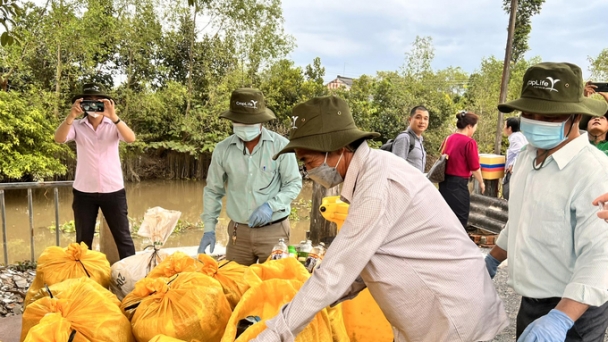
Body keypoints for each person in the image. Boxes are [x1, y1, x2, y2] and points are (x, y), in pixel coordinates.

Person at [252, 96, 508, 342]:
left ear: (337, 149)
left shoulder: (377, 185)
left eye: (307, 160)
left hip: (449, 311)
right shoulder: (374, 168)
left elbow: (335, 272)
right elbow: (360, 265)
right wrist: (309, 302)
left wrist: (273, 334)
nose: (307, 171)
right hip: (436, 308)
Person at [485, 62, 608, 342]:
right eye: (529, 114)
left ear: (576, 116)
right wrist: (491, 261)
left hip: (574, 311)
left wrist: (561, 317)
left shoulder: (594, 172)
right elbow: (519, 220)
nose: (537, 122)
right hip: (532, 304)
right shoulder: (528, 157)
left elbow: (601, 256)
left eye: (550, 117)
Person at [197, 88, 302, 266]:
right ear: (232, 121)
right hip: (239, 234)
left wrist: (271, 206)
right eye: (240, 121)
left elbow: (293, 184)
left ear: (261, 121)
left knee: (274, 285)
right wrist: (209, 229)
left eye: (250, 121)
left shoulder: (281, 146)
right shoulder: (222, 150)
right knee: (234, 284)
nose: (245, 126)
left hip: (274, 232)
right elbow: (213, 191)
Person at [54, 83, 136, 260]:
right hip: (84, 192)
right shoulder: (76, 125)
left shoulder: (114, 124)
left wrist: (113, 117)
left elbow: (130, 139)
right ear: (81, 104)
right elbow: (59, 139)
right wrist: (71, 116)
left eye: (98, 101)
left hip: (113, 190)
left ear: (107, 103)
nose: (94, 105)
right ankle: (84, 278)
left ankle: (132, 278)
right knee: (83, 241)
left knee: (123, 237)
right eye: (88, 101)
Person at [438, 111, 485, 229]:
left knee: (445, 217)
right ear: (469, 126)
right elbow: (474, 167)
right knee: (460, 218)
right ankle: (457, 246)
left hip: (444, 183)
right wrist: (481, 181)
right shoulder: (469, 142)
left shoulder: (449, 138)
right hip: (458, 185)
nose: (474, 130)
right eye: (474, 127)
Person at [391, 105, 428, 172]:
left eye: (425, 118)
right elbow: (396, 168)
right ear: (410, 119)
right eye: (418, 117)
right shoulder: (404, 138)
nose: (422, 121)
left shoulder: (419, 141)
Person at [502, 117, 528, 200]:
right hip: (519, 170)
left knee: (508, 194)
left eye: (505, 125)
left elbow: (520, 151)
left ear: (510, 128)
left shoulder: (515, 138)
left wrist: (513, 165)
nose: (504, 127)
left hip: (514, 171)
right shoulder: (520, 136)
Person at [580, 82, 608, 154]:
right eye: (593, 118)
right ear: (586, 127)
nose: (597, 119)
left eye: (602, 118)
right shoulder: (577, 144)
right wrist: (583, 98)